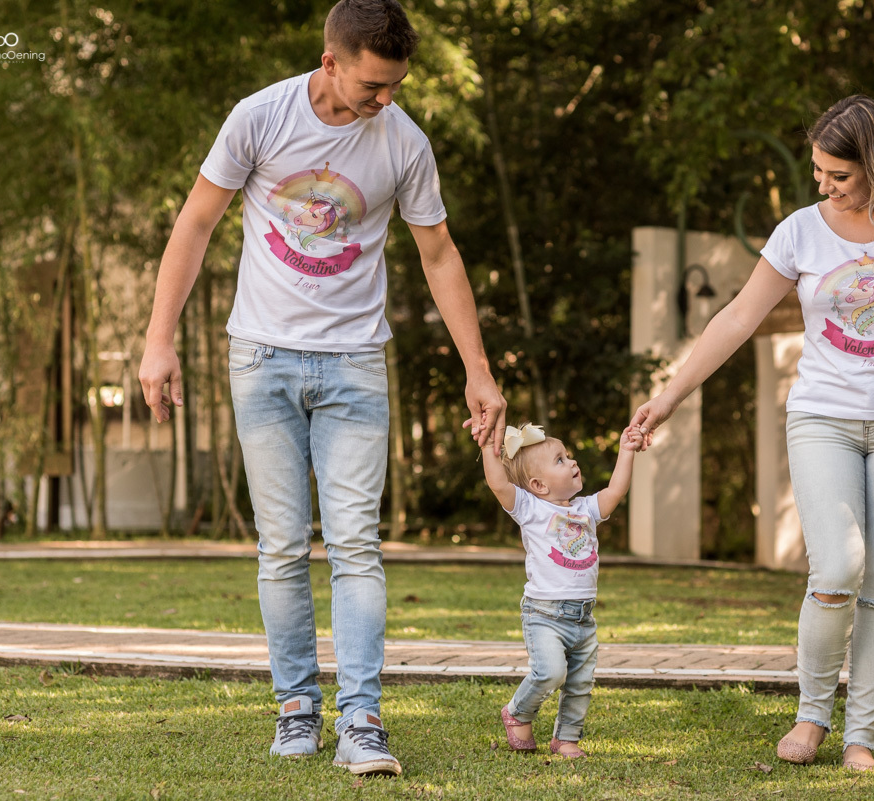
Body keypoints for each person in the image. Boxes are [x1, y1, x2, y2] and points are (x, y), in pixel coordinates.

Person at [137, 0, 506, 776]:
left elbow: (439, 254)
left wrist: (478, 367)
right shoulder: (260, 118)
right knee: (280, 546)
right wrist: (159, 339)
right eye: (373, 85)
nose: (386, 99)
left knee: (355, 544)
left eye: (397, 84)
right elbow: (196, 222)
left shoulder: (404, 141)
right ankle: (296, 708)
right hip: (261, 358)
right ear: (330, 61)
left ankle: (362, 720)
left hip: (354, 364)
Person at [630, 95, 874, 771]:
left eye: (839, 174)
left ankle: (862, 736)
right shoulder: (799, 231)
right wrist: (670, 395)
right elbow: (737, 318)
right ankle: (812, 714)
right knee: (837, 568)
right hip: (823, 417)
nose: (824, 184)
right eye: (818, 171)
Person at [480, 422, 642, 757]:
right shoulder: (531, 509)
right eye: (560, 460)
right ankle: (517, 712)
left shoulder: (586, 509)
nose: (572, 462)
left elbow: (615, 491)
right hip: (544, 615)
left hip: (583, 618)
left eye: (568, 456)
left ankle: (566, 739)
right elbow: (498, 484)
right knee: (550, 672)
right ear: (538, 485)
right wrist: (486, 447)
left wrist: (626, 450)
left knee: (580, 683)